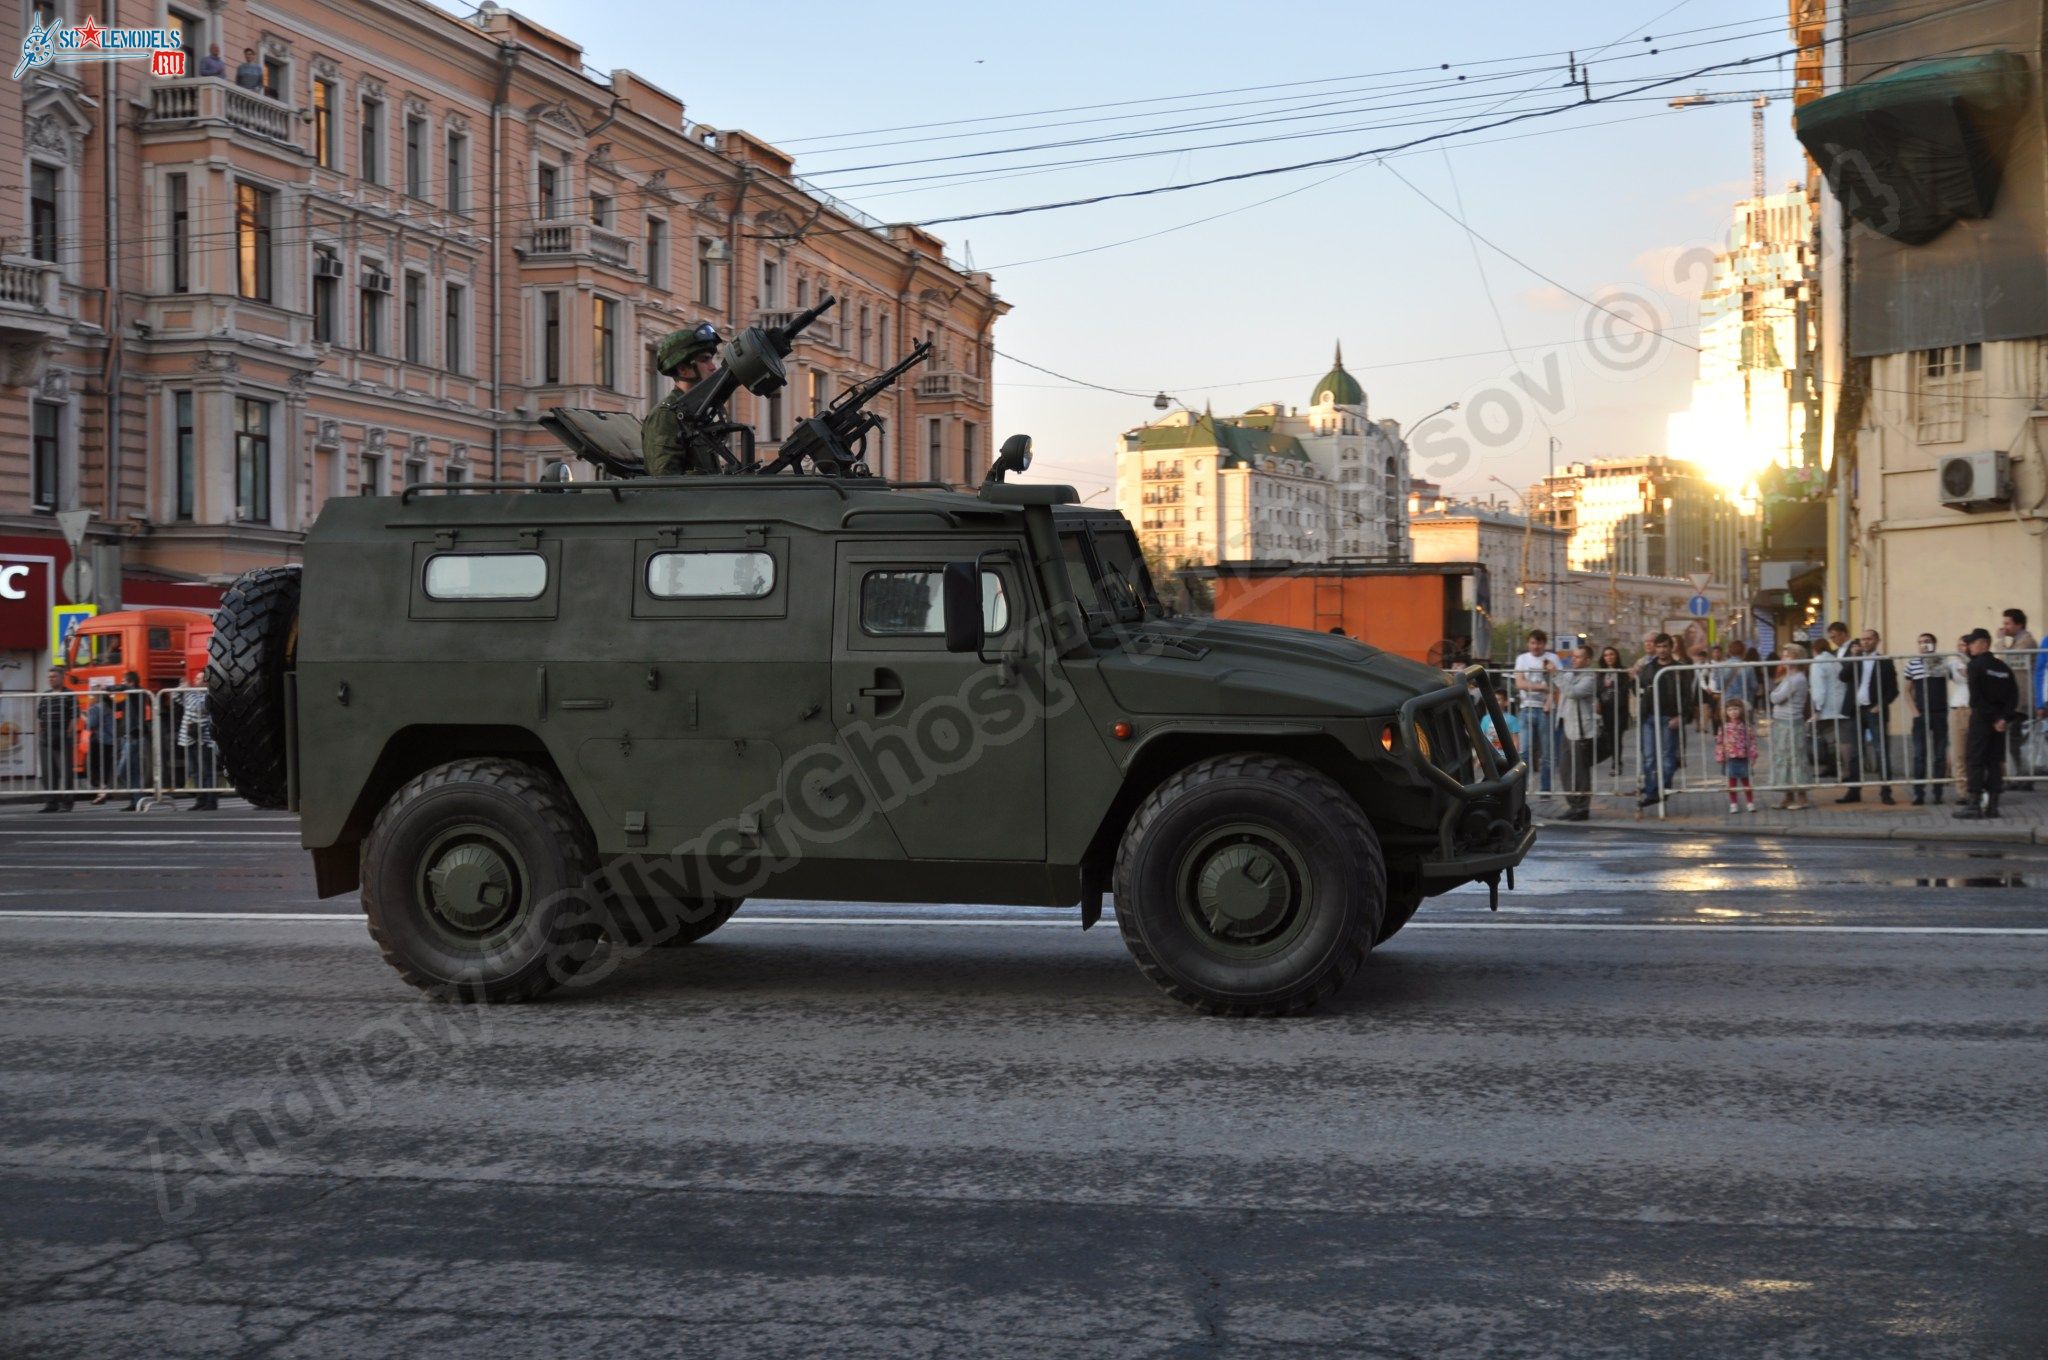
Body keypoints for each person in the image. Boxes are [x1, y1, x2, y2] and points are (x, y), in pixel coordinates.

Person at [642, 323, 727, 477]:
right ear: (683, 369)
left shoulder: (696, 413)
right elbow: (665, 480)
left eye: (711, 359)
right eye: (705, 360)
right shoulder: (666, 414)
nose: (713, 367)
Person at [1956, 628, 2021, 819]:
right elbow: (2013, 696)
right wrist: (2003, 719)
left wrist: (1993, 718)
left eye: (1972, 643)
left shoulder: (1975, 666)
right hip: (1999, 723)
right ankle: (1993, 807)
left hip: (1983, 720)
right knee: (1994, 762)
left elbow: (1977, 698)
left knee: (1975, 760)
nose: (1969, 647)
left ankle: (1974, 805)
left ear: (1984, 643)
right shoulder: (2003, 667)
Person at [1841, 628, 1899, 804]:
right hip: (1856, 711)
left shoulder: (1884, 662)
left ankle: (1886, 791)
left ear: (1877, 641)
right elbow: (1843, 676)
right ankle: (1854, 791)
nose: (1865, 642)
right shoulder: (1855, 659)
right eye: (1863, 639)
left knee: (1881, 751)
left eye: (1869, 639)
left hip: (1875, 711)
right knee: (1854, 753)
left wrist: (1881, 705)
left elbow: (1893, 690)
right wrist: (1852, 657)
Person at [1631, 633, 1687, 806]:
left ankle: (1660, 788)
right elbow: (1638, 690)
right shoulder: (1648, 668)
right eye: (1659, 647)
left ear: (1671, 648)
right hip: (1649, 717)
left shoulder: (1678, 669)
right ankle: (1652, 791)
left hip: (1668, 717)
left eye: (1665, 647)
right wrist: (1633, 678)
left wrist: (1681, 716)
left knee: (1668, 758)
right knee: (1649, 757)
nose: (1662, 650)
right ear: (1654, 648)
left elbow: (1687, 696)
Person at [1902, 632, 1949, 806]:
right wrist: (1915, 712)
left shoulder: (1942, 662)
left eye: (1927, 642)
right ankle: (1918, 793)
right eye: (1921, 642)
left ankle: (1938, 792)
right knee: (1920, 755)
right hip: (1921, 713)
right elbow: (1907, 690)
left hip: (1940, 712)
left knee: (1939, 755)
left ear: (1934, 644)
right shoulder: (1912, 664)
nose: (1924, 645)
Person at [1554, 643, 1600, 821]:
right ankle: (1572, 804)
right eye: (1573, 656)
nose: (1574, 659)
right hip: (1566, 725)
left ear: (1587, 660)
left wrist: (1556, 675)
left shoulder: (1589, 678)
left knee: (1580, 770)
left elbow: (1572, 692)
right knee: (1565, 769)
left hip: (1580, 729)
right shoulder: (1569, 674)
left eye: (1578, 657)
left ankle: (1582, 807)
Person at [1512, 630, 1560, 795]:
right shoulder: (1522, 659)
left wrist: (1549, 699)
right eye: (1532, 643)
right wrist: (1544, 687)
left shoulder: (1553, 659)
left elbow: (1557, 684)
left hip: (1545, 709)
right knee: (1524, 751)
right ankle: (1521, 788)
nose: (1535, 646)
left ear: (1544, 644)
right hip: (1526, 708)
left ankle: (1545, 789)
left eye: (1539, 643)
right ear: (1528, 643)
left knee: (1546, 753)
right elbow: (1519, 683)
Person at [1996, 608, 2038, 788]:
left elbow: (2008, 660)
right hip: (2015, 698)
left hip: (2024, 698)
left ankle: (2025, 778)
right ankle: (2020, 776)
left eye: (2007, 623)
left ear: (2018, 624)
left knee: (2020, 740)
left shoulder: (2027, 642)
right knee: (2014, 739)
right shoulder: (2015, 642)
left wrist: (1999, 642)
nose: (2004, 627)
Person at [1768, 644, 1813, 810]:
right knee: (1784, 759)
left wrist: (1774, 695)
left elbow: (1776, 697)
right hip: (1782, 722)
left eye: (1788, 656)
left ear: (1797, 658)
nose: (1784, 659)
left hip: (1791, 723)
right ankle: (1788, 795)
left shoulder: (1798, 678)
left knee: (1795, 759)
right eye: (1783, 655)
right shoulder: (1788, 676)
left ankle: (1802, 798)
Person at [109, 672, 152, 811]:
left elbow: (126, 691)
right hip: (126, 737)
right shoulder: (128, 697)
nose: (122, 684)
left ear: (131, 682)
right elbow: (115, 707)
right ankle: (136, 801)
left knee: (122, 770)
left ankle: (137, 799)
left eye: (124, 681)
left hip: (135, 737)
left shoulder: (138, 694)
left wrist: (111, 688)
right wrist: (104, 696)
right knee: (133, 771)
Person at [36, 668, 76, 813]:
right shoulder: (45, 696)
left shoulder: (69, 694)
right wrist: (41, 734)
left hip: (62, 735)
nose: (51, 679)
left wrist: (68, 734)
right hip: (46, 736)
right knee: (48, 772)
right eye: (49, 677)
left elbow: (73, 717)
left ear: (62, 678)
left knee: (65, 772)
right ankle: (51, 803)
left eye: (54, 676)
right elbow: (40, 716)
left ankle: (67, 803)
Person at [178, 688, 220, 811]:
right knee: (194, 772)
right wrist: (182, 687)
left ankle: (211, 802)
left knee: (207, 771)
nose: (197, 681)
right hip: (190, 738)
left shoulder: (208, 694)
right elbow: (176, 696)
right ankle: (200, 800)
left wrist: (188, 693)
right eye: (196, 678)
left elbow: (201, 707)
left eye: (200, 678)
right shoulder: (191, 693)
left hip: (205, 740)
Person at [1717, 696, 1759, 813]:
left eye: (1736, 709)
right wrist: (1720, 755)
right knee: (1732, 783)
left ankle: (1750, 802)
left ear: (1741, 710)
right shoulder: (1724, 727)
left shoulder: (1746, 726)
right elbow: (1720, 742)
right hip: (1730, 757)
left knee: (1746, 782)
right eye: (1730, 709)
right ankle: (1733, 803)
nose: (1733, 712)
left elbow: (1752, 741)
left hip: (1743, 757)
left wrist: (1753, 754)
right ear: (1725, 712)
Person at [1946, 634, 1973, 804]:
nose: (1960, 648)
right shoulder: (1952, 664)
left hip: (1975, 709)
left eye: (1964, 645)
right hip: (1957, 707)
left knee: (1976, 753)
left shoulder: (1978, 663)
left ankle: (1978, 788)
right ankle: (1962, 792)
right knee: (1959, 754)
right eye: (1958, 645)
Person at [1596, 644, 1630, 775]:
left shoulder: (1623, 671)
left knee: (1617, 736)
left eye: (1611, 654)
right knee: (1609, 737)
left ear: (1616, 656)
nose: (1609, 657)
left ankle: (1616, 763)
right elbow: (1597, 690)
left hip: (1620, 709)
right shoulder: (1601, 674)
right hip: (1606, 709)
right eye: (1606, 655)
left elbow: (1626, 688)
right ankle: (1613, 760)